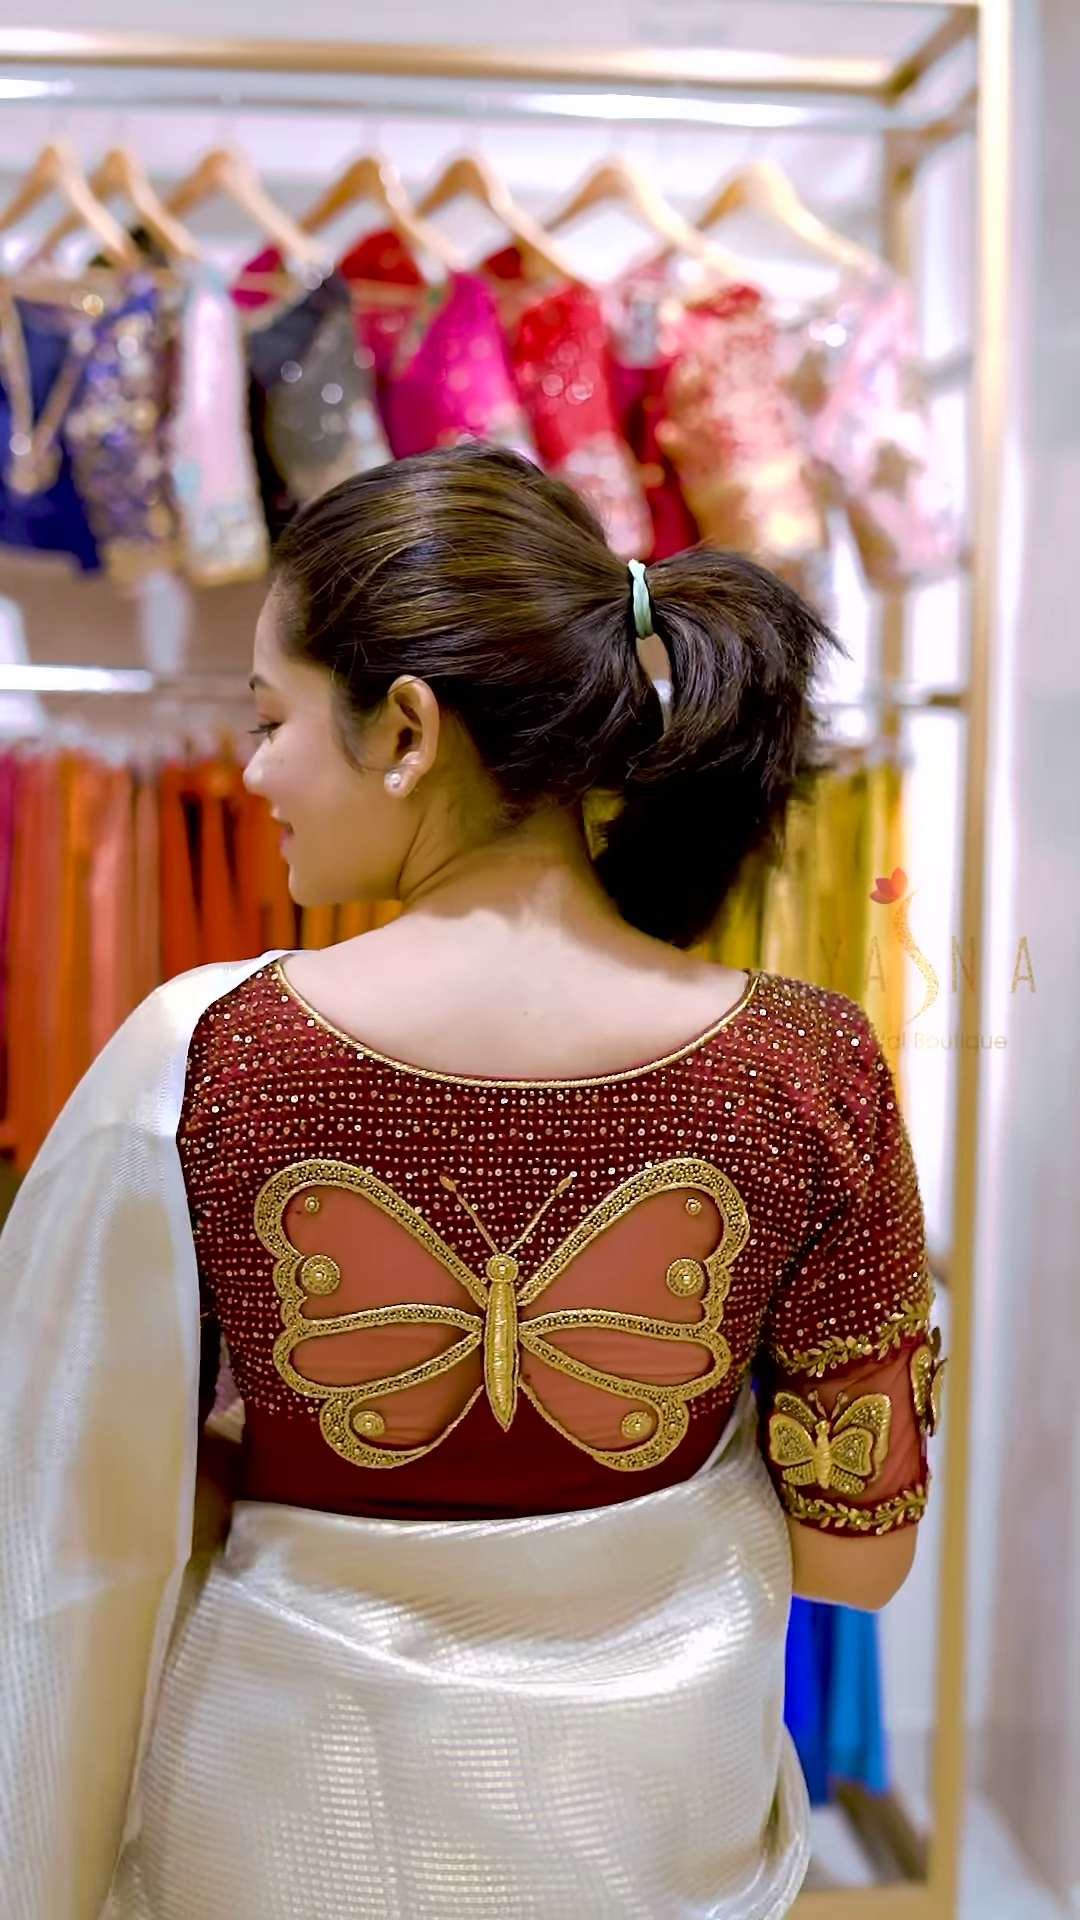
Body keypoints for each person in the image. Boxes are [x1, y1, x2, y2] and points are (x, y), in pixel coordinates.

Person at [0, 444, 938, 1919]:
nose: (249, 774)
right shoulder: (808, 1069)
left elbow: (63, 1520)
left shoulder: (207, 1058)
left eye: (268, 718)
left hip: (284, 1825)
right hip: (652, 1833)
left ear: (410, 727)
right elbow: (858, 1561)